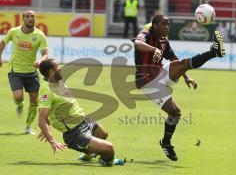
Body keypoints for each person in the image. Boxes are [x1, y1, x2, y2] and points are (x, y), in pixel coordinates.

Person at [133, 14, 225, 161]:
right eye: (164, 24)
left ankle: (214, 52)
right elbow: (137, 44)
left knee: (183, 63)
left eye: (168, 24)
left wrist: (185, 76)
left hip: (160, 71)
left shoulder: (164, 41)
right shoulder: (146, 33)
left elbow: (174, 59)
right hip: (148, 81)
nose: (167, 27)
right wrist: (154, 50)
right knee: (175, 113)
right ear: (155, 25)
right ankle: (166, 143)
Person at [37, 59, 124, 166]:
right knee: (109, 149)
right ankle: (107, 161)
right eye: (57, 66)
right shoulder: (46, 91)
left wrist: (40, 64)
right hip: (74, 133)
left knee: (103, 134)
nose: (60, 68)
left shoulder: (56, 80)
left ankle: (88, 154)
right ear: (51, 71)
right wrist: (52, 141)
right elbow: (41, 120)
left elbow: (45, 68)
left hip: (84, 120)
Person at [0, 10, 48, 135]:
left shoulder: (40, 35)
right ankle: (19, 104)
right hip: (15, 70)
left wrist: (41, 61)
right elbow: (2, 43)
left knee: (34, 101)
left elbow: (45, 54)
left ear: (35, 19)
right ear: (23, 19)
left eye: (32, 17)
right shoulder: (13, 31)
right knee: (18, 96)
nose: (30, 19)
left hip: (31, 72)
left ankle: (27, 128)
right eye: (27, 16)